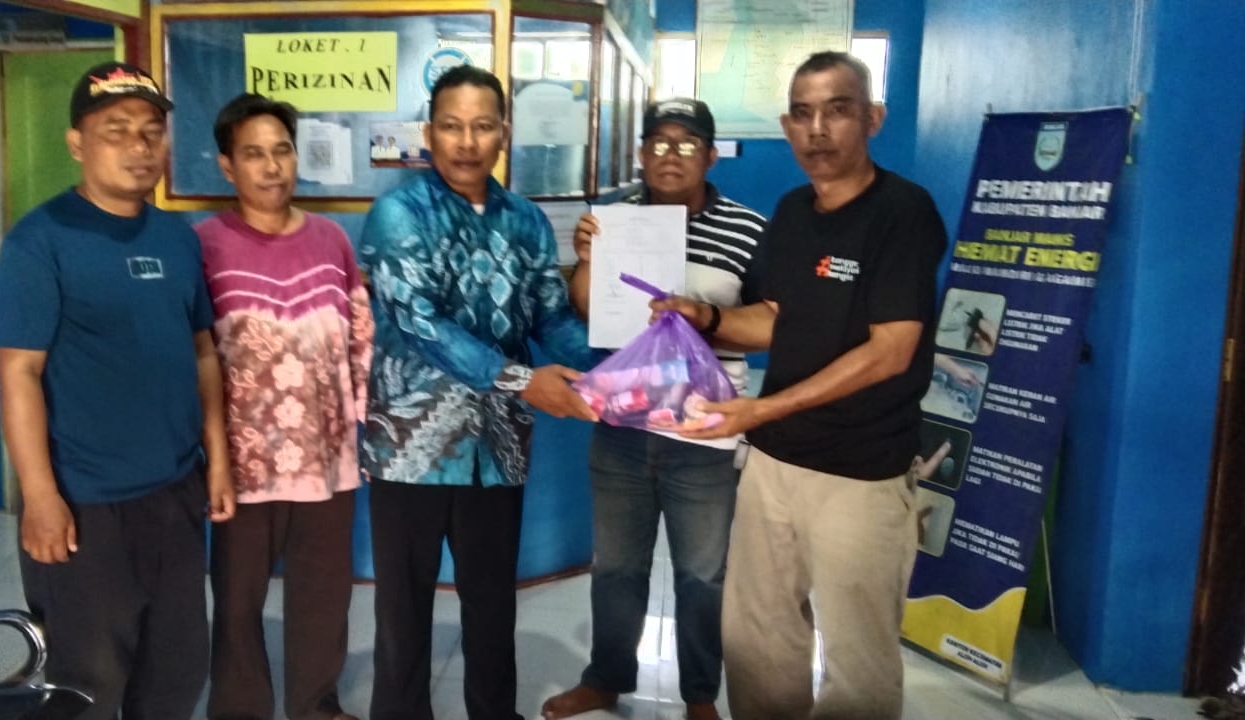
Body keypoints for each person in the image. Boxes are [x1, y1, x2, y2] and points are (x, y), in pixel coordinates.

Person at [654, 51, 948, 719]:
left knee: (858, 663)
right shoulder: (791, 212)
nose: (817, 130)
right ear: (787, 126)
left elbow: (891, 351)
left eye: (837, 111)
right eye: (803, 114)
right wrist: (705, 318)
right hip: (773, 467)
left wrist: (760, 409)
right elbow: (774, 319)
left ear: (872, 118)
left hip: (861, 475)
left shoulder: (903, 212)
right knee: (757, 641)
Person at [0, 61, 234, 720]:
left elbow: (202, 352)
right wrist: (41, 495)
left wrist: (216, 459)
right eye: (116, 130)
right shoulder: (40, 242)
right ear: (77, 143)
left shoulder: (176, 238)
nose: (138, 146)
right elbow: (17, 372)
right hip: (86, 504)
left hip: (174, 493)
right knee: (89, 684)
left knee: (177, 672)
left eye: (151, 131)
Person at [358, 64, 601, 720]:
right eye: (451, 126)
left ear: (504, 133)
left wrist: (617, 369)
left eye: (482, 126)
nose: (467, 142)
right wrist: (524, 380)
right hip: (409, 449)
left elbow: (550, 317)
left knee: (493, 603)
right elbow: (421, 324)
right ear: (429, 133)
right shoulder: (397, 214)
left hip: (497, 448)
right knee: (403, 610)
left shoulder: (527, 221)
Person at [541, 98, 767, 720]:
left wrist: (704, 319)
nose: (671, 155)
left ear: (711, 155)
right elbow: (587, 308)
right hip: (624, 423)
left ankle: (700, 696)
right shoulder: (615, 220)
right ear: (641, 154)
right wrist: (589, 261)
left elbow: (769, 324)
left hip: (706, 429)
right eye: (659, 143)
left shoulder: (750, 229)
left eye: (687, 144)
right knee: (616, 567)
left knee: (702, 574)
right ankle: (606, 679)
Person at [196, 92, 372, 720]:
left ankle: (315, 704)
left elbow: (360, 335)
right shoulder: (204, 247)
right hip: (243, 466)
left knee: (324, 595)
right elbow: (194, 354)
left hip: (327, 459)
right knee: (237, 599)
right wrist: (210, 454)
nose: (272, 167)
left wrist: (359, 425)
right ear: (227, 166)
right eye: (254, 154)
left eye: (282, 151)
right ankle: (240, 707)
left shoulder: (330, 240)